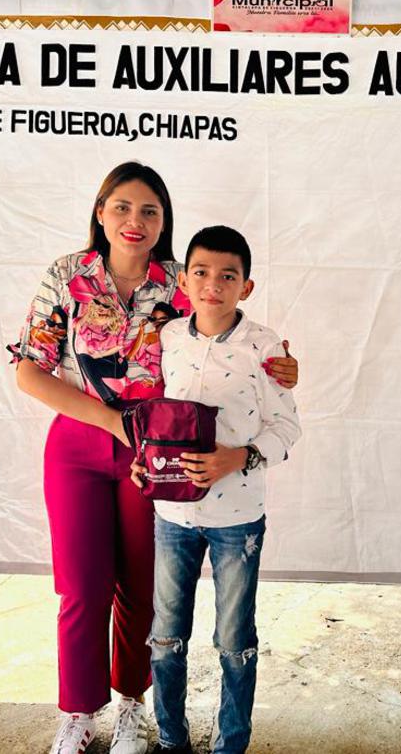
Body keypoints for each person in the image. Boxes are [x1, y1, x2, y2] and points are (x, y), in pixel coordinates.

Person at [7, 164, 299, 754]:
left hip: (158, 450)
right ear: (100, 212)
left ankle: (133, 706)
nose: (134, 221)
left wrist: (280, 366)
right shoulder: (67, 275)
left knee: (143, 587)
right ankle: (78, 713)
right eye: (121, 207)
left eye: (149, 211)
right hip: (80, 444)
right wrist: (113, 422)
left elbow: (225, 336)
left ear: (165, 222)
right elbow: (29, 371)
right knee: (82, 586)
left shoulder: (178, 283)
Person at [130, 226, 301, 754]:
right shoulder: (168, 339)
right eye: (201, 273)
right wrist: (143, 460)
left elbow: (286, 428)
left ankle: (231, 744)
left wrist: (238, 458)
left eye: (228, 276)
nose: (213, 285)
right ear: (184, 280)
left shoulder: (264, 346)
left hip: (237, 520)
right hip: (172, 516)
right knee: (165, 636)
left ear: (245, 287)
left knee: (233, 639)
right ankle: (170, 739)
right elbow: (156, 415)